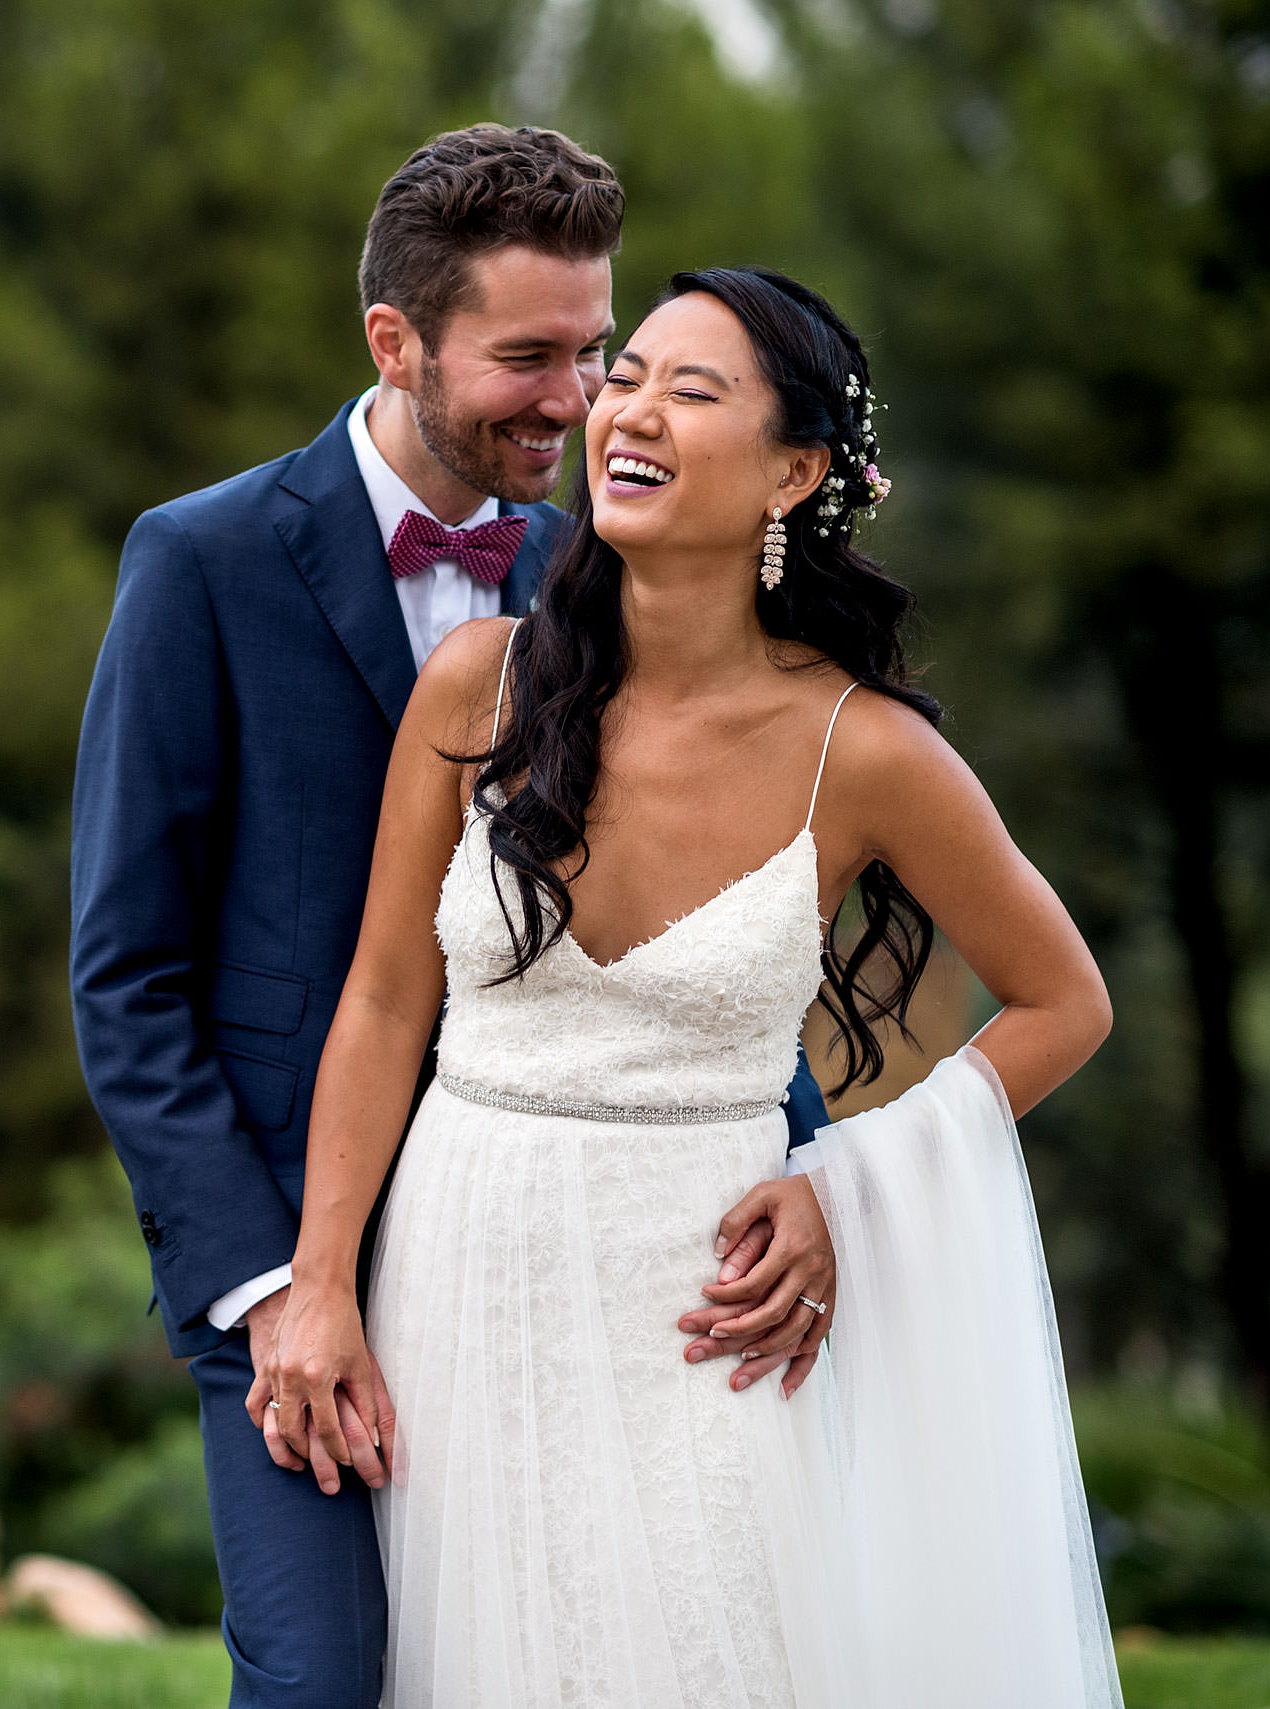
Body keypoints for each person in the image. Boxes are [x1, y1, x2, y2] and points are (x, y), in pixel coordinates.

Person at [255, 267, 1126, 1708]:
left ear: (795, 471)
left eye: (692, 390)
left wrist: (850, 1182)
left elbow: (1063, 1000)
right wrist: (324, 1281)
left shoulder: (869, 750)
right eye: (631, 374)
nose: (629, 410)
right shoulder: (479, 684)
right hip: (460, 1278)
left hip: (705, 1315)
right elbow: (384, 1005)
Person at [69, 132, 832, 1708]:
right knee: (325, 1678)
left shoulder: (609, 565)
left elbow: (719, 915)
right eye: (529, 357)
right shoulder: (199, 562)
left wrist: (818, 1178)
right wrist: (274, 1285)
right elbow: (127, 975)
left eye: (598, 350)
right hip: (296, 1253)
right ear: (396, 343)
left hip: (586, 1260)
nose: (578, 401)